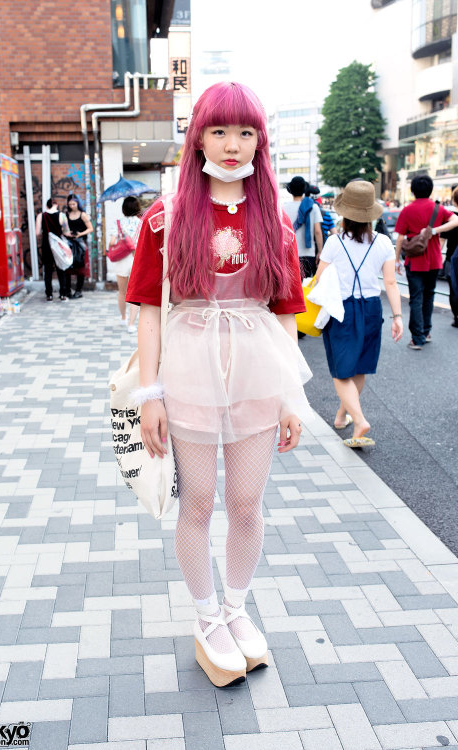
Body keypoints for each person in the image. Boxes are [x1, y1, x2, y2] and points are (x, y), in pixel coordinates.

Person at [126, 81, 313, 687]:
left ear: (260, 141)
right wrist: (148, 394)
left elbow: (285, 309)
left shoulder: (275, 218)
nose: (233, 146)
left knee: (247, 502)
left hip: (258, 363)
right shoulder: (166, 215)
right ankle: (206, 617)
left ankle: (236, 608)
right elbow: (150, 309)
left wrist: (293, 394)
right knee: (199, 501)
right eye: (219, 131)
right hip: (187, 366)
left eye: (246, 133)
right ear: (198, 136)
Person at [315, 180, 403, 447]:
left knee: (341, 372)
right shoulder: (384, 242)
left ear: (345, 214)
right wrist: (398, 317)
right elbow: (390, 283)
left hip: (342, 310)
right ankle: (343, 415)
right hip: (372, 309)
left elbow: (320, 279)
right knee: (359, 367)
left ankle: (359, 419)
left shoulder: (334, 242)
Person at [394, 175, 458, 349]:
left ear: (413, 190)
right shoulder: (438, 209)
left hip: (414, 261)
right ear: (430, 190)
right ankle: (426, 331)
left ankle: (417, 338)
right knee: (429, 296)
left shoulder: (407, 210)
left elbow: (400, 237)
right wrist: (434, 230)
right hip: (434, 260)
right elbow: (457, 220)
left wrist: (396, 260)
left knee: (415, 298)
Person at [107, 196, 142, 332]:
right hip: (137, 259)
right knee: (135, 294)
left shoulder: (118, 223)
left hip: (122, 260)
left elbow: (112, 242)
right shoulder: (141, 223)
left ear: (123, 209)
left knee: (122, 292)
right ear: (137, 208)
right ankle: (131, 324)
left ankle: (123, 318)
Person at [440, 184, 458, 329]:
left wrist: (439, 257)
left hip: (452, 258)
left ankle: (457, 318)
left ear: (455, 199)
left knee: (454, 289)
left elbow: (442, 240)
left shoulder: (450, 217)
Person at [284, 177, 323, 279]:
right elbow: (318, 231)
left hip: (289, 253)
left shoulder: (283, 208)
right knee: (305, 286)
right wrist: (320, 251)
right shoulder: (313, 207)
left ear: (291, 191)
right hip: (308, 253)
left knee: (292, 286)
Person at [35, 198, 70, 301]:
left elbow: (37, 233)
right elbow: (66, 232)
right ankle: (63, 293)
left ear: (46, 206)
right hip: (58, 245)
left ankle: (49, 294)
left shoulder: (41, 216)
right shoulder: (62, 216)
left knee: (48, 269)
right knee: (61, 267)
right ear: (56, 205)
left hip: (46, 244)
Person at [65, 194, 93, 298]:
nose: (72, 206)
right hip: (69, 244)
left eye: (74, 203)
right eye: (70, 204)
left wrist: (80, 234)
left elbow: (90, 228)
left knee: (80, 268)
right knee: (68, 267)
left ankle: (78, 290)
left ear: (77, 203)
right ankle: (67, 290)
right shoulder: (66, 214)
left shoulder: (83, 215)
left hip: (80, 244)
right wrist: (68, 233)